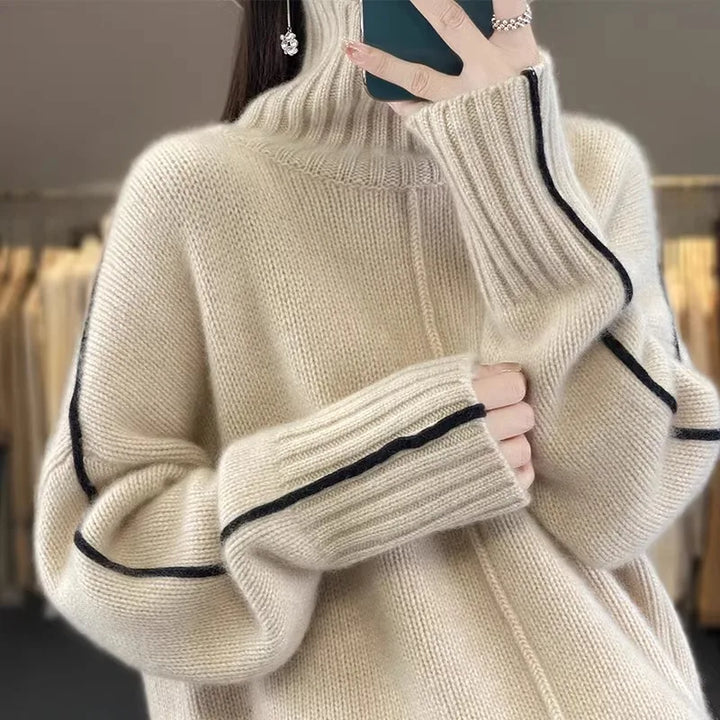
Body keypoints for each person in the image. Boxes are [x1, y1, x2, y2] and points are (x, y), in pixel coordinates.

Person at [33, 0, 720, 718]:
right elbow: (104, 556)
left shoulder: (592, 169)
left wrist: (520, 183)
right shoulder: (193, 192)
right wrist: (388, 461)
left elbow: (622, 511)